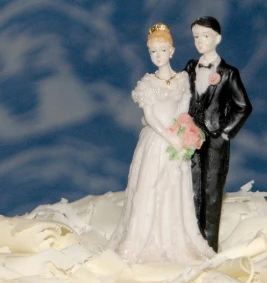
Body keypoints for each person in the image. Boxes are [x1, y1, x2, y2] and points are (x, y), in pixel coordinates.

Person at [108, 23, 215, 263]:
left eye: (162, 51)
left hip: (176, 140)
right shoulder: (147, 83)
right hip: (156, 143)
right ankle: (141, 239)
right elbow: (150, 117)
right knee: (150, 186)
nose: (158, 56)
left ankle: (176, 238)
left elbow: (183, 110)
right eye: (153, 52)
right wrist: (170, 137)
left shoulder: (181, 79)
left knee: (175, 188)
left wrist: (184, 132)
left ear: (172, 51)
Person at [184, 16, 252, 251]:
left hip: (214, 141)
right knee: (190, 189)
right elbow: (182, 96)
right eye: (196, 37)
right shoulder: (191, 67)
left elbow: (243, 106)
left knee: (211, 192)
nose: (200, 41)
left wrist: (224, 133)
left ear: (218, 38)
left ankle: (209, 247)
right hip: (190, 138)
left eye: (206, 36)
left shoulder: (229, 73)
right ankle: (191, 241)